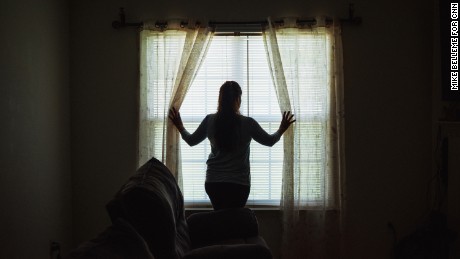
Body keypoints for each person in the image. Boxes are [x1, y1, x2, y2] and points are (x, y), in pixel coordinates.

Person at [169, 81, 295, 210]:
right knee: (235, 223)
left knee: (220, 221)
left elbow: (191, 141)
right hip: (239, 184)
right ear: (238, 99)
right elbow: (269, 141)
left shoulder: (210, 120)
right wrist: (281, 128)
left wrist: (180, 126)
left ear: (220, 99)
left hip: (214, 182)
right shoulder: (248, 123)